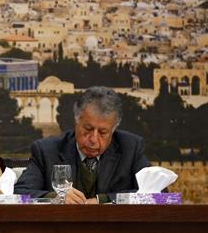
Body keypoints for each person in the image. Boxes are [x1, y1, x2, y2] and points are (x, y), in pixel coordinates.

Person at [14, 86, 150, 204]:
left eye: (103, 132)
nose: (93, 139)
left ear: (113, 129)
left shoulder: (131, 148)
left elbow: (157, 193)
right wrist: (56, 197)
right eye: (88, 129)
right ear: (76, 121)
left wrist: (102, 200)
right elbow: (19, 194)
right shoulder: (47, 150)